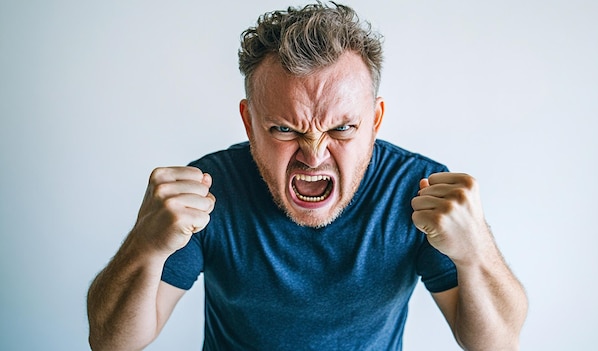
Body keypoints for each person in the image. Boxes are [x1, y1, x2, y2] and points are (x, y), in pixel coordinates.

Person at [87, 2, 528, 350]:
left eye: (342, 128)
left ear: (374, 121)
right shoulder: (207, 193)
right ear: (249, 123)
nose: (314, 156)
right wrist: (144, 246)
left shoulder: (419, 193)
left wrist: (476, 251)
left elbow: (497, 344)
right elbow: (112, 342)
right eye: (284, 129)